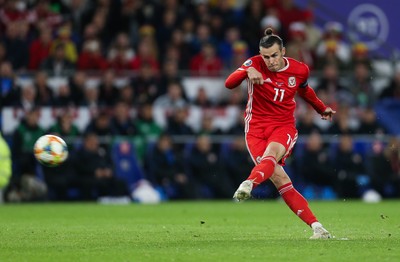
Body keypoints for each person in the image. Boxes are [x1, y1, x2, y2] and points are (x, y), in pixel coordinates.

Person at [224, 28, 336, 239]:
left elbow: (304, 90)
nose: (270, 61)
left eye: (274, 55)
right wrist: (246, 71)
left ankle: (248, 183)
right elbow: (229, 83)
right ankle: (317, 227)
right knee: (279, 178)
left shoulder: (299, 69)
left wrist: (321, 108)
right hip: (255, 129)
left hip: (282, 126)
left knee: (271, 155)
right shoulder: (254, 63)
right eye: (266, 57)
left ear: (283, 51)